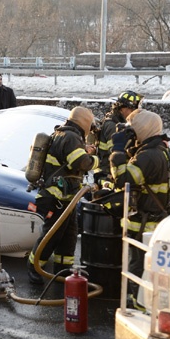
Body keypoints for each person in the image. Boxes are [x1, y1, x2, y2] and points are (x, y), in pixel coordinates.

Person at [26, 107, 99, 284]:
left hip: (66, 198)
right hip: (55, 197)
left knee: (69, 235)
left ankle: (62, 271)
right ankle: (33, 267)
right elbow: (80, 162)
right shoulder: (72, 137)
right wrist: (95, 158)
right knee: (52, 235)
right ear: (84, 122)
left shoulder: (64, 134)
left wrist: (84, 149)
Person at [109, 109, 170, 310]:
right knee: (144, 265)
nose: (131, 134)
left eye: (133, 129)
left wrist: (117, 151)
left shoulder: (149, 155)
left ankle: (139, 308)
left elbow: (123, 179)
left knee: (138, 266)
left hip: (144, 223)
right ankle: (141, 302)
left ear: (143, 129)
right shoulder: (157, 149)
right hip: (153, 220)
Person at [95, 90, 143, 186]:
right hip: (108, 175)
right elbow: (115, 153)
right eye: (131, 109)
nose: (134, 112)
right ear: (122, 109)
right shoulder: (112, 125)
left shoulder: (121, 122)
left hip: (114, 172)